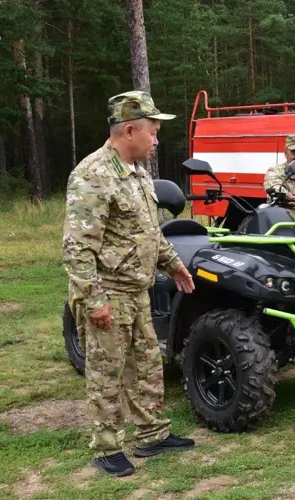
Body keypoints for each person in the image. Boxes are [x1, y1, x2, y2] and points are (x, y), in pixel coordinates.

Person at [62, 91, 197, 478]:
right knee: (107, 372)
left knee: (147, 366)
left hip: (138, 291)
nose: (156, 140)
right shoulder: (94, 175)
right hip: (108, 292)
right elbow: (77, 248)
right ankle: (106, 448)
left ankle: (151, 434)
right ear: (130, 129)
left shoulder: (137, 173)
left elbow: (149, 232)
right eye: (153, 132)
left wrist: (174, 265)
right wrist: (93, 300)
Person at [263, 133, 295, 227]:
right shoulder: (275, 172)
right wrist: (284, 196)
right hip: (287, 233)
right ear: (286, 153)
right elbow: (275, 187)